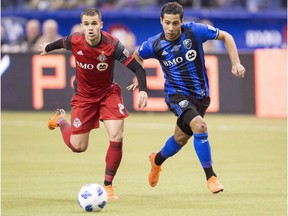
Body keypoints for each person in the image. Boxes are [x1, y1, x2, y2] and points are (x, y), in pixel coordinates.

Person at [128, 2, 246, 194]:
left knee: (180, 139)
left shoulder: (194, 31)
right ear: (161, 21)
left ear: (182, 22)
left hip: (201, 96)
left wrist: (236, 63)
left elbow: (226, 36)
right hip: (176, 94)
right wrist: (141, 82)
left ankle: (156, 160)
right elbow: (136, 56)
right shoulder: (154, 44)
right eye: (167, 23)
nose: (171, 28)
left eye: (175, 23)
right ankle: (211, 177)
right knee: (200, 125)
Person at [38, 8, 148, 200]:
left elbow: (137, 67)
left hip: (108, 94)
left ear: (101, 25)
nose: (90, 28)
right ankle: (61, 120)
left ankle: (108, 186)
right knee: (78, 147)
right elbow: (60, 43)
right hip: (83, 97)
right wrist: (47, 48)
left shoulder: (112, 45)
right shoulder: (74, 40)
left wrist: (144, 90)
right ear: (82, 26)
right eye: (87, 24)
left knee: (117, 135)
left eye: (94, 24)